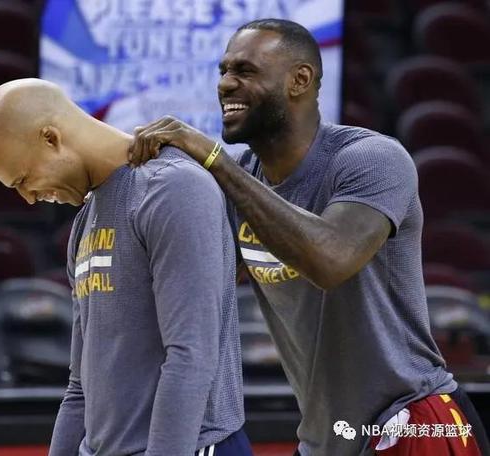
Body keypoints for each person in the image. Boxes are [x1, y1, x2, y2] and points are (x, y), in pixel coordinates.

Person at [128, 19, 490, 456]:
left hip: (410, 418)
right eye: (223, 71)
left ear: (299, 80)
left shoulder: (372, 158)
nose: (225, 84)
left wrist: (214, 161)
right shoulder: (238, 178)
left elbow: (330, 260)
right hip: (328, 435)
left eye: (245, 70)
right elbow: (189, 280)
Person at [0, 78, 253, 456]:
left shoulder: (172, 189)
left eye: (23, 179)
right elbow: (80, 387)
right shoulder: (83, 224)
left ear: (51, 138)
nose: (28, 198)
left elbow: (190, 358)